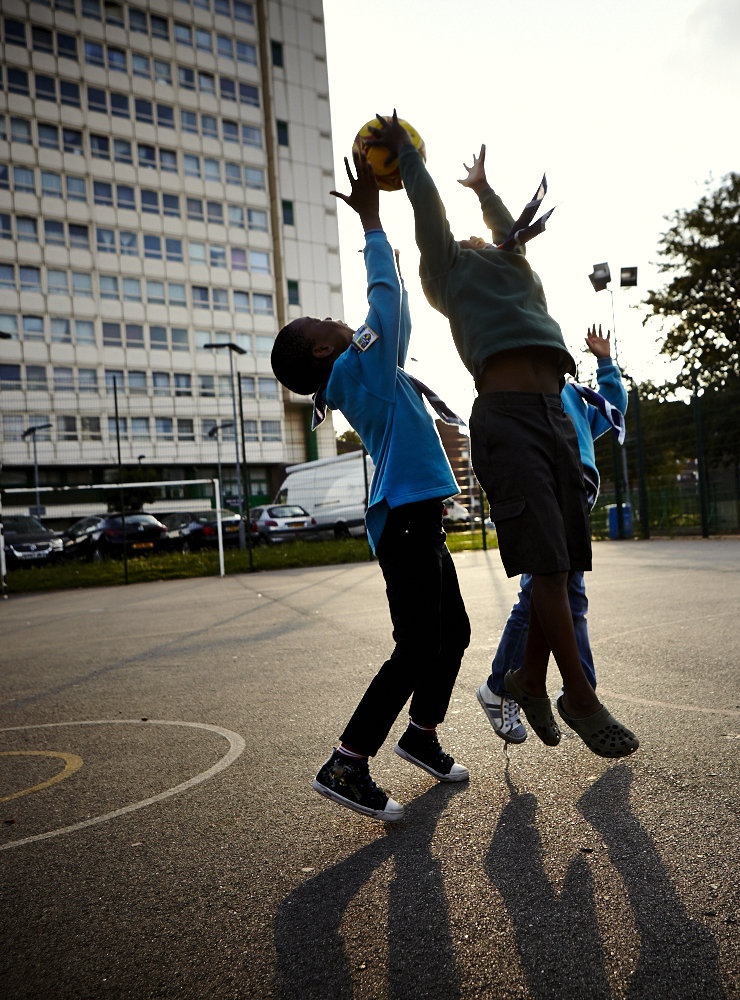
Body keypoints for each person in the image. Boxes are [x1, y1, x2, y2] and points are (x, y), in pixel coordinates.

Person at [366, 113, 637, 759]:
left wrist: (484, 190)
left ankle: (527, 679)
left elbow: (509, 229)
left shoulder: (513, 264)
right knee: (547, 565)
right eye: (467, 234)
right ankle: (580, 697)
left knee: (561, 564)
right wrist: (407, 157)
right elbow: (429, 215)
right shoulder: (447, 271)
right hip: (508, 415)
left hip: (555, 415)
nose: (477, 235)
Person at [270, 153, 470, 823]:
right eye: (323, 321)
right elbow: (386, 302)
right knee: (418, 645)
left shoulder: (360, 371)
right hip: (405, 521)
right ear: (323, 350)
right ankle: (347, 762)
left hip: (416, 518)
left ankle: (421, 736)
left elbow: (393, 315)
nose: (336, 319)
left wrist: (386, 248)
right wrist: (373, 225)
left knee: (452, 634)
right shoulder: (358, 371)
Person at [477, 325, 626, 744]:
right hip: (541, 492)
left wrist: (605, 362)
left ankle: (570, 690)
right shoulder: (522, 389)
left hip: (575, 495)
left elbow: (613, 408)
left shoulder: (573, 394)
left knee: (562, 597)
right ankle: (517, 687)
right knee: (544, 595)